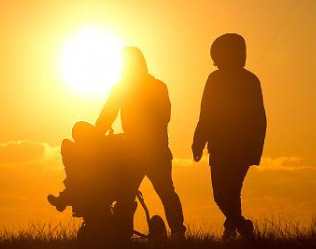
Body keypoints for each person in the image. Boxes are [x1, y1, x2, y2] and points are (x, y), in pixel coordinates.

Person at [95, 46, 186, 239]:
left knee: (143, 194)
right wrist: (95, 135)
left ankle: (176, 232)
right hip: (142, 149)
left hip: (149, 149)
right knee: (137, 194)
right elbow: (108, 114)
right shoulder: (149, 86)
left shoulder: (148, 87)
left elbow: (163, 116)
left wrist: (97, 134)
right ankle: (124, 235)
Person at [192, 33, 267, 240]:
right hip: (218, 147)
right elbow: (206, 112)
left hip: (241, 149)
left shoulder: (250, 80)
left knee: (230, 192)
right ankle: (238, 225)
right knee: (222, 194)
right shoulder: (214, 79)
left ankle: (237, 227)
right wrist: (198, 141)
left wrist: (254, 151)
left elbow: (259, 118)